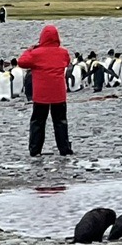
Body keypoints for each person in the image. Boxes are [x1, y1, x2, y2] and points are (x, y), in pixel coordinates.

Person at [17, 24, 72, 159]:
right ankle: (64, 148)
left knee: (38, 122)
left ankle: (35, 150)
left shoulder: (36, 54)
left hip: (41, 95)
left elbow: (21, 62)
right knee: (60, 121)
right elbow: (67, 62)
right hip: (58, 94)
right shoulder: (63, 52)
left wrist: (30, 49)